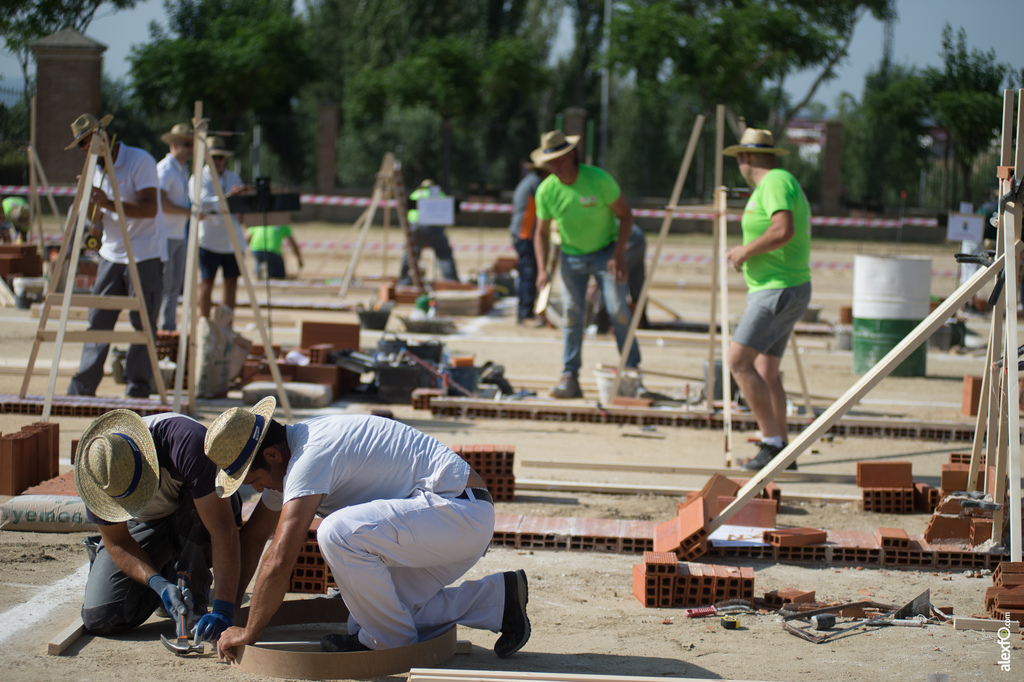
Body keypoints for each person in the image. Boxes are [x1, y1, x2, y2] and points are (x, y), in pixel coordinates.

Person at [205, 407, 530, 660]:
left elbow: (279, 559)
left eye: (255, 481)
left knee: (335, 534)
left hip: (456, 512)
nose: (259, 490)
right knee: (374, 616)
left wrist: (249, 632)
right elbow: (253, 537)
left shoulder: (309, 457)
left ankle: (391, 645)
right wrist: (227, 610)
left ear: (271, 456)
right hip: (448, 521)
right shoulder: (287, 456)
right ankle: (500, 600)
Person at [74, 406, 245, 644]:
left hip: (198, 512)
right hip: (147, 526)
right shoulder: (96, 471)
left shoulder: (185, 442)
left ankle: (193, 596)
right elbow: (118, 541)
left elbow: (222, 530)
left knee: (196, 511)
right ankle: (169, 577)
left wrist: (224, 609)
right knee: (102, 616)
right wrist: (158, 583)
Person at [722, 128, 812, 471]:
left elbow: (782, 230)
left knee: (738, 361)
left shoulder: (774, 182)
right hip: (782, 287)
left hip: (778, 288)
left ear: (745, 158)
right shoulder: (777, 182)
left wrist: (744, 251)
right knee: (766, 369)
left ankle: (771, 444)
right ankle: (783, 449)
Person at [532, 130, 641, 399]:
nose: (553, 167)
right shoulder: (547, 190)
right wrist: (542, 269)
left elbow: (626, 216)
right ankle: (570, 377)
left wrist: (618, 254)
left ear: (571, 155)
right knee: (572, 314)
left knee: (618, 310)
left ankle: (631, 370)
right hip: (571, 256)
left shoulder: (598, 180)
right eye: (549, 162)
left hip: (606, 252)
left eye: (558, 160)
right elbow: (541, 233)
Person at [64, 114, 164, 399]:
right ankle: (83, 385)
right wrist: (93, 218)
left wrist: (106, 201)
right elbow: (100, 217)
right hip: (112, 253)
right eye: (82, 145)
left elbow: (149, 209)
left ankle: (138, 386)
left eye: (88, 142)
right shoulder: (96, 169)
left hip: (144, 253)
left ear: (103, 137)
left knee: (142, 323)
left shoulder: (138, 161)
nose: (86, 149)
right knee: (98, 320)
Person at [191, 136, 249, 319]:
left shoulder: (233, 176)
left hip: (232, 240)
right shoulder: (199, 177)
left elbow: (239, 203)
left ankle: (226, 325)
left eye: (221, 157)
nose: (218, 161)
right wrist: (228, 197)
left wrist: (241, 210)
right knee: (207, 283)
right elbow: (201, 204)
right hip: (209, 240)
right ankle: (205, 324)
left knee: (231, 282)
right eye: (214, 157)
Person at [156, 123, 194, 331]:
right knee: (165, 285)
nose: (191, 149)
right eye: (187, 144)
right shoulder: (165, 169)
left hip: (178, 234)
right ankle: (162, 327)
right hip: (165, 234)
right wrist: (188, 212)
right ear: (175, 145)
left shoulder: (182, 169)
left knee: (174, 285)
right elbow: (160, 202)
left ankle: (168, 326)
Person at [509, 162, 548, 325]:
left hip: (522, 233)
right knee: (529, 273)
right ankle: (525, 313)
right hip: (525, 234)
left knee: (528, 273)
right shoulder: (536, 183)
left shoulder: (529, 180)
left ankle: (526, 311)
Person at [399, 179, 459, 284]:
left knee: (411, 253)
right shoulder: (440, 194)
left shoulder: (416, 194)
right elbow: (446, 212)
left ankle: (404, 280)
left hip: (417, 227)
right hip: (435, 227)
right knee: (444, 254)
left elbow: (407, 211)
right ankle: (451, 281)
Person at [592, 224, 649, 333]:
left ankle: (601, 324)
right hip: (638, 238)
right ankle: (642, 322)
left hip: (629, 240)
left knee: (612, 280)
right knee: (636, 281)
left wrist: (595, 282)